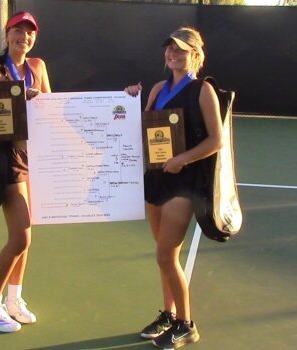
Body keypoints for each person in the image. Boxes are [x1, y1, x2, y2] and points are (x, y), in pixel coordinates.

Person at [124, 27, 222, 349]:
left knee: (166, 255)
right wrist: (129, 98)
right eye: (170, 49)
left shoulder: (202, 91)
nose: (173, 55)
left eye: (180, 50)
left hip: (184, 183)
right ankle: (168, 314)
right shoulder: (156, 88)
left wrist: (183, 158)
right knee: (163, 256)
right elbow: (143, 126)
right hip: (156, 178)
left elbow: (216, 140)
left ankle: (186, 323)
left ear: (195, 54)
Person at [0, 11, 51, 333]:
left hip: (33, 161)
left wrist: (40, 99)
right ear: (7, 34)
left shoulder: (38, 68)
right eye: (18, 31)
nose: (23, 37)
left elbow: (50, 107)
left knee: (26, 241)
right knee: (19, 238)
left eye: (29, 33)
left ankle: (14, 299)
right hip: (6, 163)